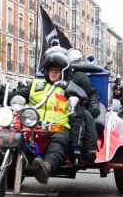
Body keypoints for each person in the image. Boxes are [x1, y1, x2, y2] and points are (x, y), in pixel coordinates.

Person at [15, 49, 72, 184]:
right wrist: (0, 93)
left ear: (63, 72)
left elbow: (83, 97)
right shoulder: (35, 84)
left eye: (57, 70)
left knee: (59, 140)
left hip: (58, 125)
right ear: (46, 71)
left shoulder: (68, 87)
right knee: (12, 132)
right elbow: (18, 95)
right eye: (51, 69)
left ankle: (46, 168)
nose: (54, 72)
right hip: (33, 123)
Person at [66, 48, 102, 162]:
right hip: (56, 107)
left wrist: (94, 105)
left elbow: (92, 93)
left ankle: (88, 149)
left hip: (76, 107)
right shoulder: (51, 75)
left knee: (85, 114)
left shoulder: (80, 76)